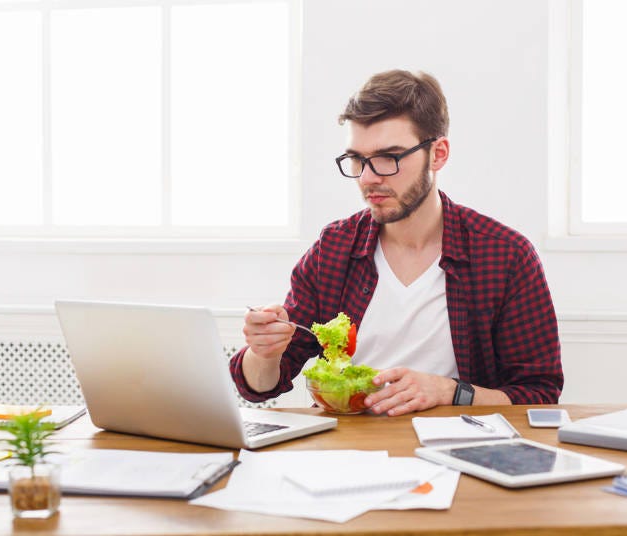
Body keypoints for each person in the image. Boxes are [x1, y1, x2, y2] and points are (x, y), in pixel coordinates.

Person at [230, 69, 563, 416]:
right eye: (357, 159)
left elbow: (540, 393)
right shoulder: (333, 250)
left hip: (458, 448)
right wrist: (264, 352)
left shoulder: (505, 255)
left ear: (438, 154)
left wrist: (449, 391)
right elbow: (259, 387)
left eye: (389, 157)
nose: (368, 177)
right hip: (346, 453)